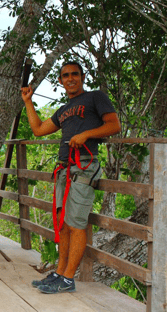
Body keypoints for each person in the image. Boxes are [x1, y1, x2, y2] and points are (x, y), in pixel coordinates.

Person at [21, 61, 120, 293]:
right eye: (65, 75)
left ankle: (68, 278)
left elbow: (114, 125)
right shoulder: (64, 109)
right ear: (61, 80)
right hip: (64, 168)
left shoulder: (95, 97)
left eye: (74, 74)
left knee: (76, 223)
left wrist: (86, 134)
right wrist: (27, 101)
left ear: (82, 76)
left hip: (83, 165)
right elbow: (38, 129)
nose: (70, 78)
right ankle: (60, 272)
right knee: (63, 224)